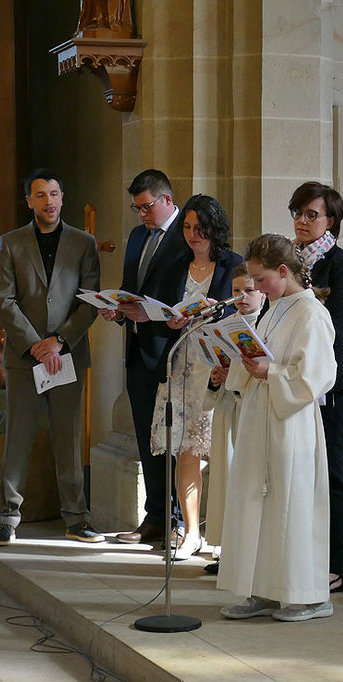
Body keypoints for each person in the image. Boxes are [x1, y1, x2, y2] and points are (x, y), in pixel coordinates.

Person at [218, 234, 337, 623]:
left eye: (260, 278)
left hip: (291, 423)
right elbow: (260, 356)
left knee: (292, 504)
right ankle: (265, 590)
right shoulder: (274, 308)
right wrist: (243, 360)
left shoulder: (310, 312)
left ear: (284, 272)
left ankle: (309, 597)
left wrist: (272, 371)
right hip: (260, 415)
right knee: (258, 502)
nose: (253, 287)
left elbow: (318, 375)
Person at [0, 168, 102, 546]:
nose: (49, 201)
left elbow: (89, 301)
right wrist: (36, 343)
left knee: (69, 438)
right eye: (40, 195)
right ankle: (8, 516)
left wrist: (59, 341)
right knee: (17, 437)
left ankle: (76, 518)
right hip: (25, 357)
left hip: (67, 354)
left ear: (62, 198)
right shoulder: (12, 242)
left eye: (54, 194)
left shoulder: (84, 243)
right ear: (29, 201)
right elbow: (4, 300)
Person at [146, 194, 244, 560]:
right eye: (186, 227)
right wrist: (171, 320)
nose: (192, 234)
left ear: (215, 227)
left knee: (222, 452)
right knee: (185, 452)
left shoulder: (233, 265)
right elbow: (160, 312)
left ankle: (226, 533)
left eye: (199, 227)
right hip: (180, 366)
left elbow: (247, 309)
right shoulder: (175, 265)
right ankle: (190, 533)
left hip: (218, 367)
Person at [101, 169, 189, 547]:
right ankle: (154, 517)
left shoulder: (188, 236)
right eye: (136, 209)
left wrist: (150, 314)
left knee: (172, 440)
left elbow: (188, 296)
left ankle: (179, 521)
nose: (141, 215)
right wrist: (118, 308)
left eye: (146, 207)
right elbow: (131, 289)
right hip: (137, 351)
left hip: (172, 352)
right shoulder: (137, 236)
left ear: (167, 200)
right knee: (145, 439)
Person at [289, 181, 343, 594]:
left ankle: (334, 565)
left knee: (331, 472)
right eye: (298, 213)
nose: (301, 221)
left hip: (332, 383)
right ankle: (295, 557)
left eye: (310, 214)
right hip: (290, 381)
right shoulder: (288, 264)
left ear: (330, 219)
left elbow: (337, 329)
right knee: (295, 472)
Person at [201, 264, 265, 574]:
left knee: (247, 483)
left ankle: (248, 553)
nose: (241, 297)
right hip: (228, 409)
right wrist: (216, 379)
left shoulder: (266, 325)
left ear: (262, 291)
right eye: (236, 291)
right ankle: (226, 551)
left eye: (248, 290)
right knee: (225, 482)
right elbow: (216, 374)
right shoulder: (226, 324)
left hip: (251, 409)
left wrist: (236, 373)